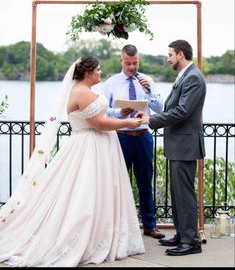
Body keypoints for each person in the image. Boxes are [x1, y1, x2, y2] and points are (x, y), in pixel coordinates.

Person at [0, 56, 145, 267]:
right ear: (88, 73)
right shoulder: (82, 93)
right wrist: (128, 123)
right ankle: (86, 237)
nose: (100, 72)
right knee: (85, 192)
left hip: (94, 145)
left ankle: (100, 231)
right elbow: (99, 123)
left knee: (96, 192)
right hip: (90, 147)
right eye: (98, 69)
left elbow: (99, 118)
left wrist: (120, 115)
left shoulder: (80, 90)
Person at [136, 40, 206, 256]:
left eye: (170, 55)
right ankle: (182, 234)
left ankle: (191, 242)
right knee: (177, 194)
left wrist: (151, 120)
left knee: (184, 195)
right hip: (179, 144)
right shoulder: (186, 74)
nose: (167, 59)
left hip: (185, 144)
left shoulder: (193, 77)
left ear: (180, 54)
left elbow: (182, 111)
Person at [102, 44, 165, 239]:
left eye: (135, 63)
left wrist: (147, 92)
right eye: (128, 63)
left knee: (145, 181)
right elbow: (103, 110)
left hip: (143, 136)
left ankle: (150, 225)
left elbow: (160, 109)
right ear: (121, 61)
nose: (132, 67)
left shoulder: (148, 81)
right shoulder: (111, 83)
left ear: (139, 60)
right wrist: (119, 112)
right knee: (117, 182)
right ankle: (117, 227)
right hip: (120, 136)